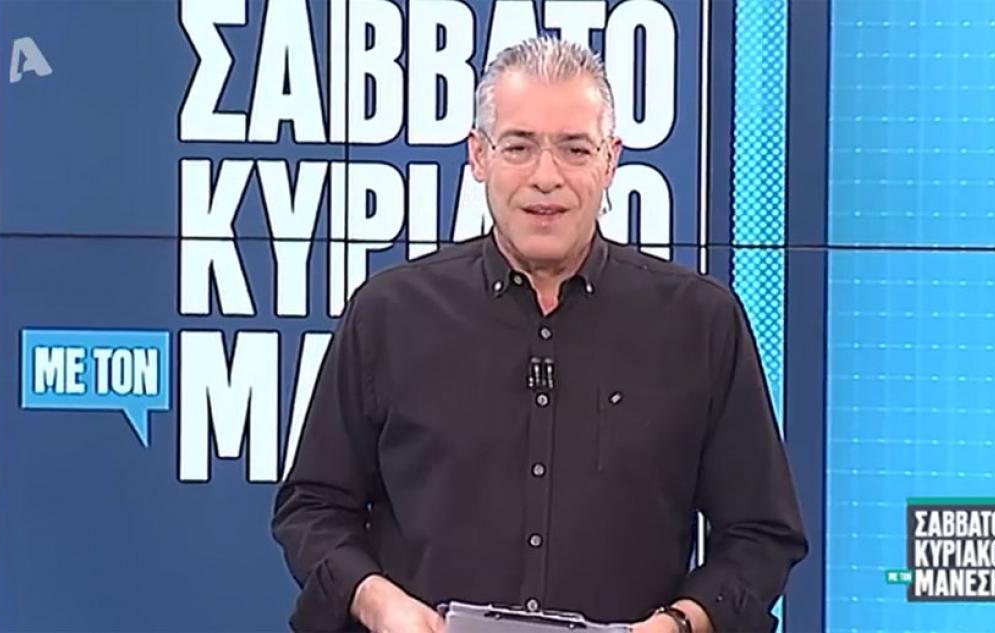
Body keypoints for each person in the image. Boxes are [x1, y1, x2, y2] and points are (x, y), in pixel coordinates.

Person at [271, 36, 807, 633]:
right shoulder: (389, 314)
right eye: (519, 147)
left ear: (610, 160)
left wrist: (679, 625)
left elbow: (761, 536)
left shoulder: (699, 322)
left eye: (575, 149)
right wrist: (379, 603)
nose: (546, 177)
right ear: (479, 156)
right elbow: (313, 509)